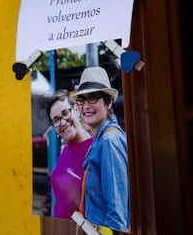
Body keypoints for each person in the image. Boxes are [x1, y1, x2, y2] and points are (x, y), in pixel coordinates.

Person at [71, 66, 130, 233]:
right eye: (81, 100)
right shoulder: (101, 139)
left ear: (109, 102)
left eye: (93, 98)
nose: (85, 106)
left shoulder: (109, 141)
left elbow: (117, 213)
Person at [46, 89, 94, 220]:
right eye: (56, 120)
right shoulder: (65, 150)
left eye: (65, 113)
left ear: (77, 110)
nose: (62, 122)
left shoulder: (95, 149)